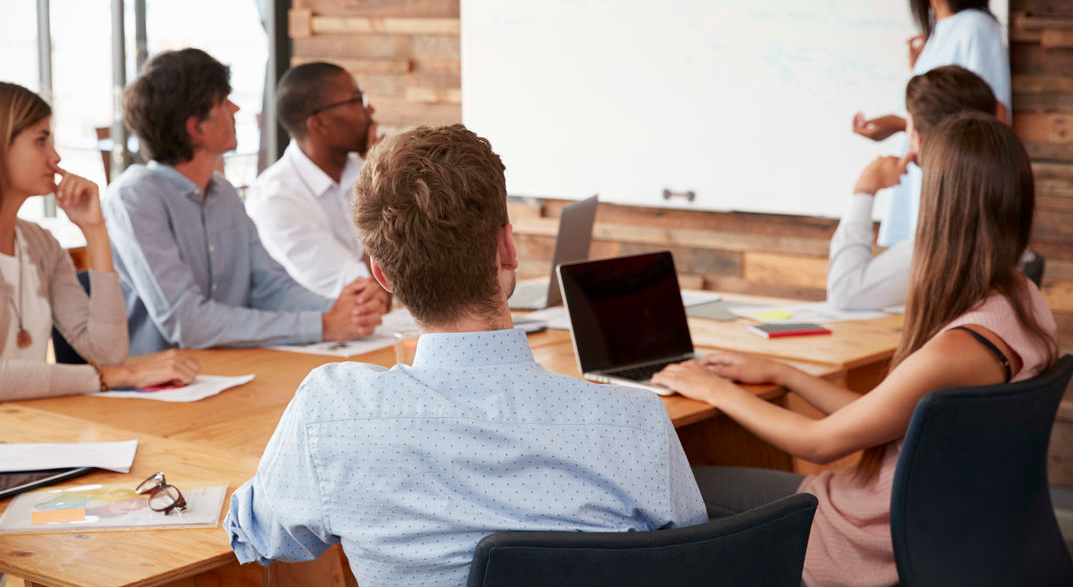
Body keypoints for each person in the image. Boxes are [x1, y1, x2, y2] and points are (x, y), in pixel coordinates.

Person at [224, 124, 707, 586]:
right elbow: (696, 563)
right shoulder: (636, 425)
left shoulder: (330, 415)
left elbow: (256, 536)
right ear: (507, 247)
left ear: (383, 275)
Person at [654, 112, 1057, 587]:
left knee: (676, 487)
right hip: (942, 528)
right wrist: (785, 374)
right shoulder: (1024, 302)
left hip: (860, 534)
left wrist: (708, 386)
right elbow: (882, 415)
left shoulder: (956, 351)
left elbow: (819, 444)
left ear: (943, 209)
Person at [0, 81, 198, 402]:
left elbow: (107, 351)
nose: (55, 157)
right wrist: (117, 376)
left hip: (15, 432)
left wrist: (95, 231)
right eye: (41, 140)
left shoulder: (41, 244)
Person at [103, 48, 384, 355]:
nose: (235, 109)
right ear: (196, 128)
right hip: (155, 387)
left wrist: (347, 309)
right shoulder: (134, 198)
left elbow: (270, 288)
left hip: (230, 370)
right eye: (223, 102)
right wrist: (323, 324)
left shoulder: (223, 194)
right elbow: (186, 321)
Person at [851, 0, 1010, 250]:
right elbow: (944, 107)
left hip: (947, 199)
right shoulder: (941, 31)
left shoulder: (975, 29)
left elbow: (992, 122)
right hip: (927, 190)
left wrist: (900, 121)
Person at [828, 65, 999, 310]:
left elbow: (845, 293)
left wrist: (864, 189)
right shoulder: (999, 211)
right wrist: (907, 123)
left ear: (916, 138)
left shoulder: (950, 238)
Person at [245, 62, 388, 302]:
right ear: (319, 124)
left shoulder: (363, 169)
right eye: (357, 100)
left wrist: (382, 171)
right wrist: (378, 184)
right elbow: (370, 292)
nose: (369, 110)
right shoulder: (275, 199)